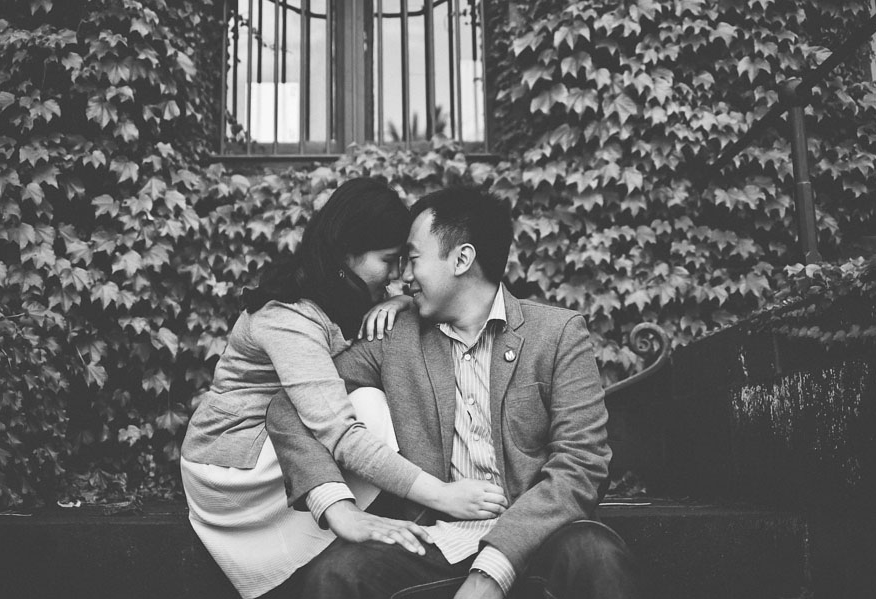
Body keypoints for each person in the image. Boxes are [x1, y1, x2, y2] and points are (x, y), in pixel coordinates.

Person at [270, 186, 644, 598]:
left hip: (536, 537)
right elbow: (291, 408)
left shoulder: (557, 334)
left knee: (596, 554)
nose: (403, 278)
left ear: (462, 259)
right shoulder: (394, 339)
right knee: (335, 575)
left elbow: (582, 465)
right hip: (435, 541)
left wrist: (492, 570)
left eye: (412, 260)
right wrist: (336, 506)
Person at [180, 178, 508, 599]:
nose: (399, 276)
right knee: (370, 405)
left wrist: (402, 303)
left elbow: (414, 299)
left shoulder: (345, 292)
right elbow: (336, 427)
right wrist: (441, 495)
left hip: (289, 441)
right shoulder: (288, 316)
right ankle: (359, 520)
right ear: (345, 252)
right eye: (389, 261)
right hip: (234, 462)